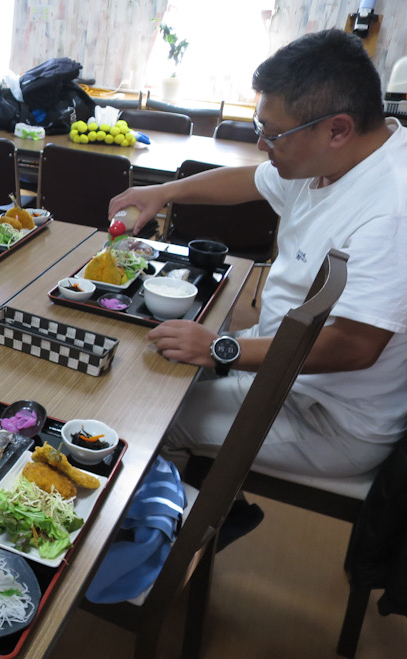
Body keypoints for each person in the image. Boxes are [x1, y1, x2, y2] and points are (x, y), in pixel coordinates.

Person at [109, 29, 407, 479]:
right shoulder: (326, 160)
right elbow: (248, 180)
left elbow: (355, 346)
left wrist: (223, 349)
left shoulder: (392, 205)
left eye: (273, 134)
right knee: (149, 366)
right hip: (278, 370)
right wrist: (164, 192)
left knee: (149, 420)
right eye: (260, 128)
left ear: (338, 129)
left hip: (329, 416)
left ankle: (179, 531)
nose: (263, 145)